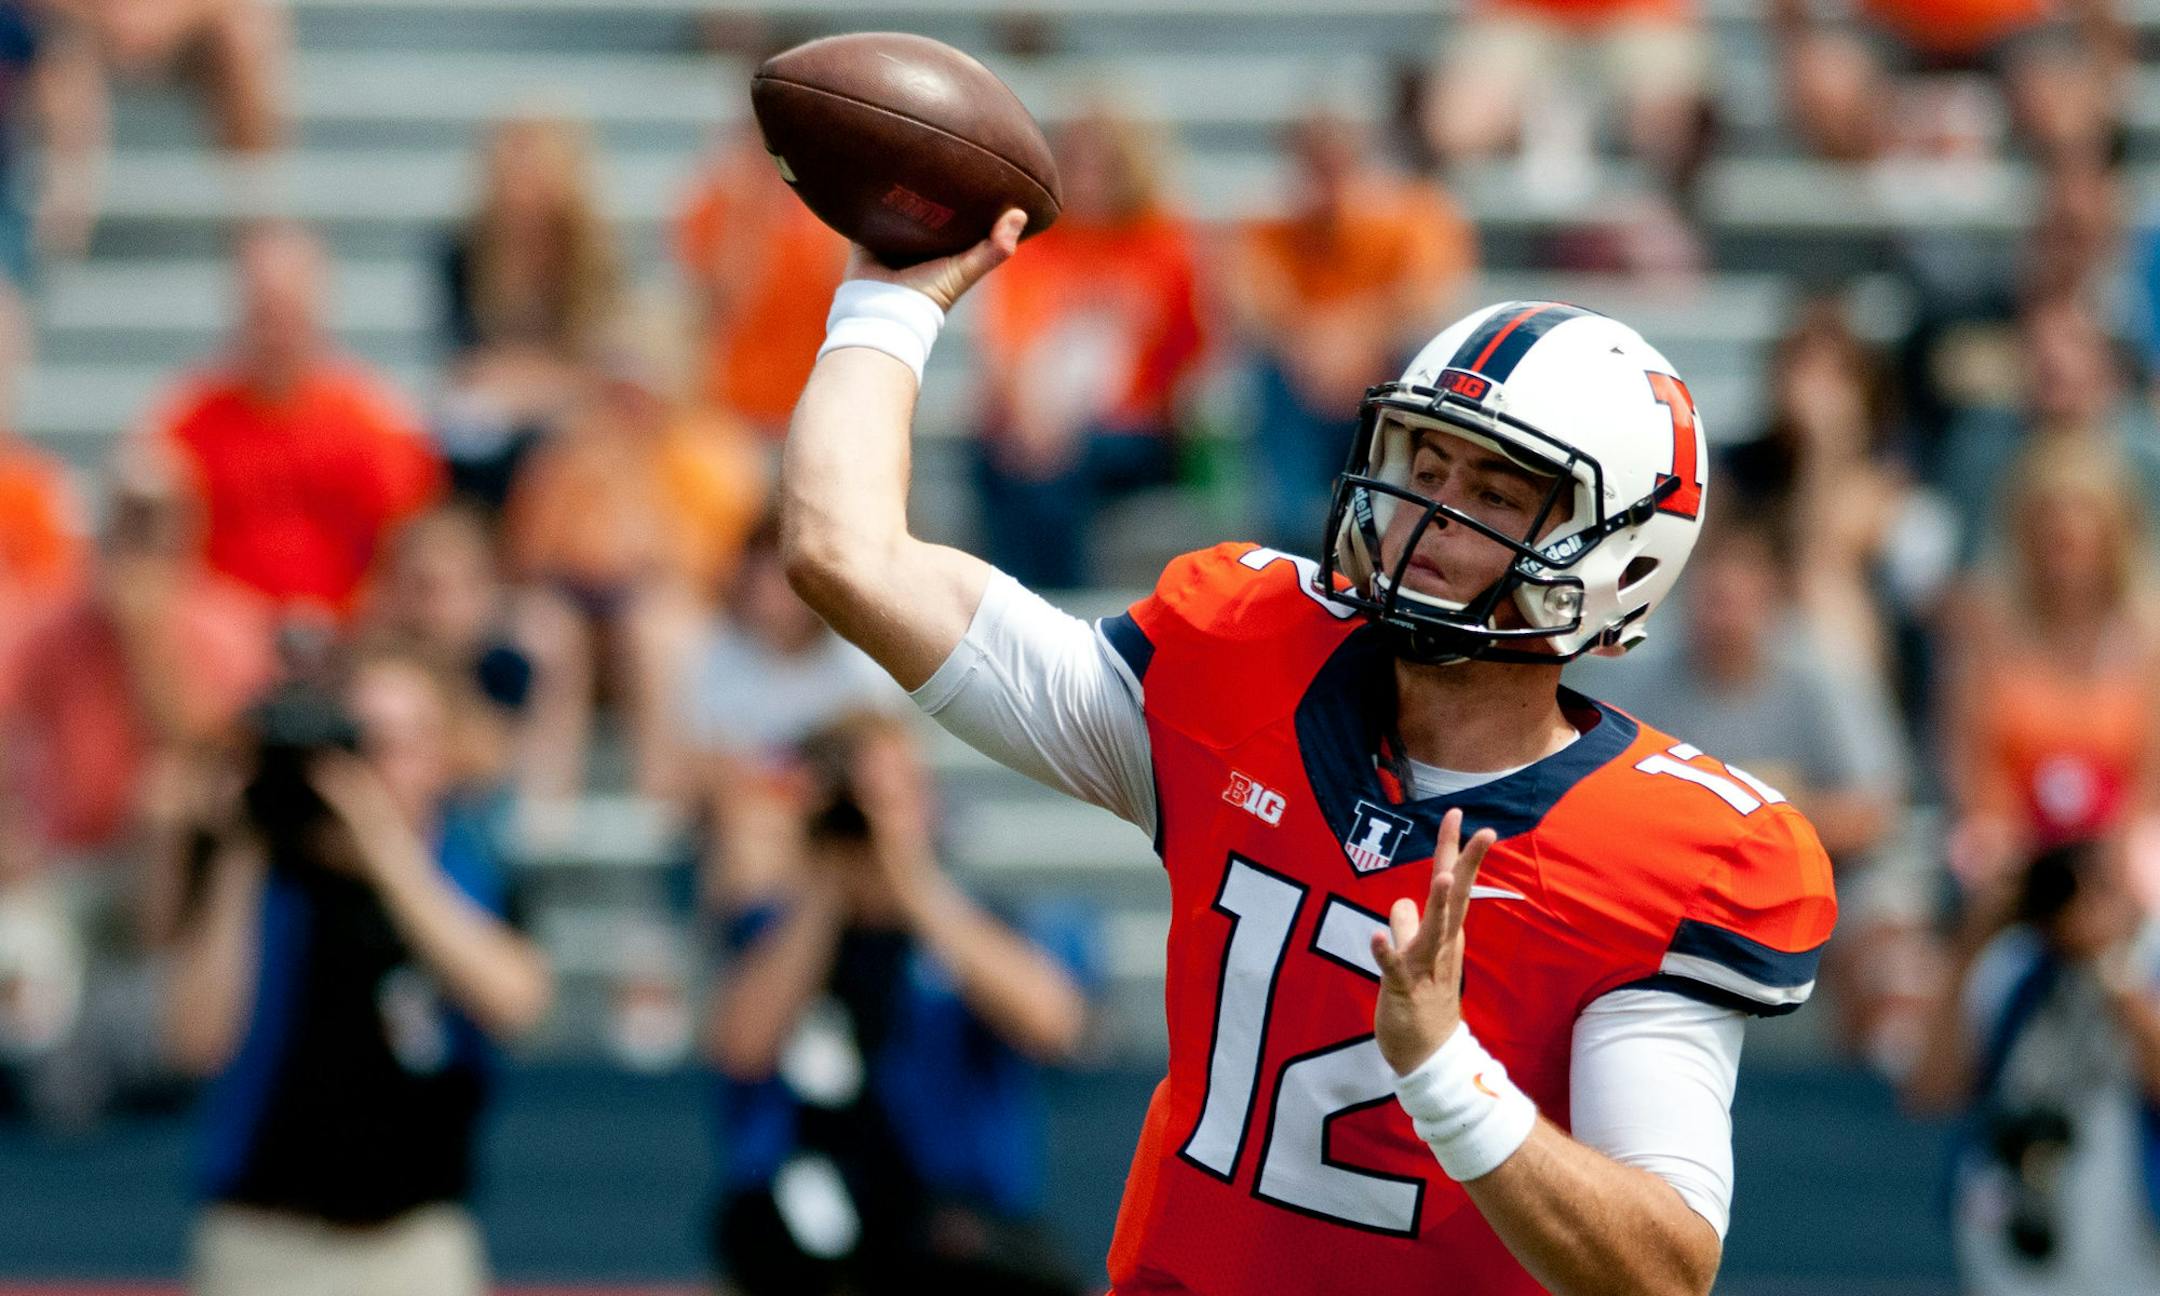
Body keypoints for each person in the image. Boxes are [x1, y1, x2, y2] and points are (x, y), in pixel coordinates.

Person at [779, 214, 1836, 1294]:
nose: (1428, 513)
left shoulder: (1664, 853)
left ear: (1613, 558)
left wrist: (1446, 1076)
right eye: (1425, 463)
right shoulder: (1243, 666)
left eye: (1493, 493)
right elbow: (844, 553)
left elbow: (1661, 1273)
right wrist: (889, 301)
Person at [165, 650, 550, 1296]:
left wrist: (386, 853)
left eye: (391, 746)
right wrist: (244, 845)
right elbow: (192, 1040)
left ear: (439, 757)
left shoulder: (467, 865)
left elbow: (518, 1003)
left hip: (413, 1239)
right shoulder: (271, 872)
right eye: (354, 743)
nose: (366, 769)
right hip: (264, 1237)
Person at [703, 712, 1092, 1295]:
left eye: (898, 793)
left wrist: (913, 883)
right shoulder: (774, 931)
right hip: (808, 1219)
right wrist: (827, 887)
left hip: (956, 1221)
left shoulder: (987, 924)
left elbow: (1055, 1025)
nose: (878, 815)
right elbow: (741, 1048)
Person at [504, 345, 767, 805]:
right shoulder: (567, 454)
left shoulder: (703, 456)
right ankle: (543, 809)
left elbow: (715, 569)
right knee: (549, 639)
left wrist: (649, 526)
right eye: (617, 395)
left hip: (658, 606)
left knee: (658, 636)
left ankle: (661, 801)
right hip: (575, 607)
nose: (627, 410)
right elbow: (529, 558)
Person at [1904, 839, 2160, 1294]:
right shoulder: (2011, 965)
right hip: (2008, 1247)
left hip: (2129, 1252)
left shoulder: (2149, 962)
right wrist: (1973, 939)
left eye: (2098, 885)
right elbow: (1930, 1090)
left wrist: (2111, 962)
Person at [151, 221, 442, 619]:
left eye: (288, 311)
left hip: (349, 640)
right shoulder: (186, 428)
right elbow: (162, 558)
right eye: (263, 312)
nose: (275, 332)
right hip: (219, 645)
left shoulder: (373, 424)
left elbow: (409, 555)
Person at [971, 107, 1207, 589]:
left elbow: (1187, 356)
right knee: (999, 459)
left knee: (1055, 473)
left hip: (1135, 430)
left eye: (1103, 164)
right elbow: (1007, 347)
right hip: (1043, 421)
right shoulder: (1036, 246)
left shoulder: (1163, 241)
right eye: (1075, 163)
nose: (1088, 178)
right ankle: (1016, 605)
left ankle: (1051, 611)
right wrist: (1031, 417)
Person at [1228, 112, 1474, 550]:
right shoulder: (1272, 224)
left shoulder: (1414, 211)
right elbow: (1253, 301)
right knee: (1269, 369)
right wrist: (1319, 341)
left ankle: (1394, 511)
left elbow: (1431, 298)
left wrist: (1353, 334)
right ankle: (1293, 524)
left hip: (1380, 370)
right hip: (1306, 375)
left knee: (1419, 362)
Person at [1940, 441, 2160, 884]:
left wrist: (2110, 846)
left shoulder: (2146, 635)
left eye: (2081, 513)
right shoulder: (1987, 631)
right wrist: (2016, 837)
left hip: (2123, 839)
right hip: (2013, 835)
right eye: (2049, 515)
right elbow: (1969, 758)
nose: (2064, 530)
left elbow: (2151, 770)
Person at [433, 115, 620, 512]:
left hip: (571, 420)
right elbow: (466, 366)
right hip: (497, 418)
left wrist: (534, 382)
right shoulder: (463, 253)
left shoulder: (592, 257)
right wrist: (550, 379)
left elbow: (601, 370)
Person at [675, 128, 849, 440]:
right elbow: (722, 309)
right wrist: (747, 211)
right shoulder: (721, 199)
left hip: (818, 411)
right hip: (737, 416)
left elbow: (847, 295)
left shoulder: (831, 200)